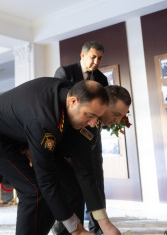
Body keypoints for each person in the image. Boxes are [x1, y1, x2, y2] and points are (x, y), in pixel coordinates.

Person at [0, 79, 111, 235]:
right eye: (90, 115)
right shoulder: (45, 118)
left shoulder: (72, 92)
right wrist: (76, 229)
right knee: (34, 190)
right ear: (73, 102)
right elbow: (46, 179)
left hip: (12, 132)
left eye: (97, 117)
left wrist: (105, 224)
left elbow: (85, 169)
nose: (92, 123)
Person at [52, 85, 132, 235]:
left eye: (122, 115)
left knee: (78, 193)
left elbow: (86, 171)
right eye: (116, 114)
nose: (118, 120)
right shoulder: (83, 119)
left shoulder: (92, 126)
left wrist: (106, 224)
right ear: (104, 104)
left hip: (68, 163)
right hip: (41, 157)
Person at [54, 41, 108, 234]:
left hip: (92, 139)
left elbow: (101, 110)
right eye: (93, 56)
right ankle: (71, 229)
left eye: (100, 57)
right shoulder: (65, 72)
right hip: (70, 139)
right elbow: (61, 109)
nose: (96, 61)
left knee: (96, 181)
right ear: (82, 55)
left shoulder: (102, 78)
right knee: (72, 186)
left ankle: (98, 228)